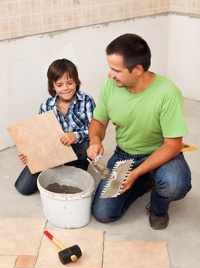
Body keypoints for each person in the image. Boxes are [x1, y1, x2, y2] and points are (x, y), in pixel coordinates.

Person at [87, 33, 191, 230]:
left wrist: (135, 173)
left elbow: (173, 144)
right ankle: (146, 181)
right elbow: (98, 122)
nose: (110, 74)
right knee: (103, 213)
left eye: (115, 70)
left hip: (161, 152)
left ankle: (158, 208)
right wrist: (95, 140)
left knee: (174, 185)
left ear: (137, 70)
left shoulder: (167, 92)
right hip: (126, 153)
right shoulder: (111, 85)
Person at [15, 58, 95, 195]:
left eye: (69, 83)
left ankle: (72, 169)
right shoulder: (46, 105)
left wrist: (76, 135)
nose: (65, 88)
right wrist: (29, 154)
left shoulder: (86, 101)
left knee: (72, 184)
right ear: (52, 86)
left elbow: (95, 130)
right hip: (53, 152)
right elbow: (39, 136)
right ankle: (57, 167)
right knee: (23, 188)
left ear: (76, 82)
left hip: (78, 151)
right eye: (59, 85)